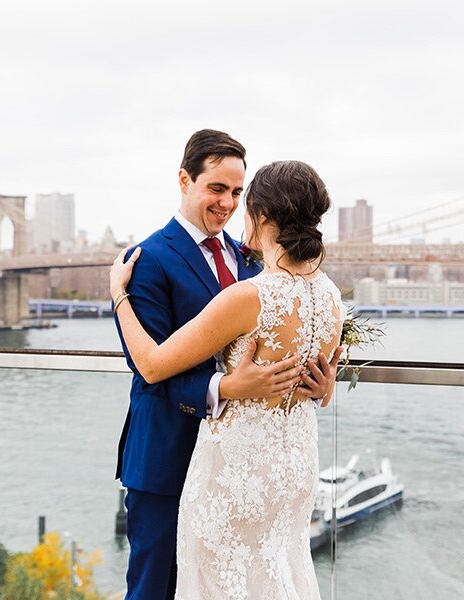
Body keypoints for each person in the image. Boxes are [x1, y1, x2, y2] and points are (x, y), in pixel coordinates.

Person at [112, 131, 340, 600]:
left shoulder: (251, 259)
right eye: (217, 189)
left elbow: (281, 335)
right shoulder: (149, 259)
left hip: (245, 467)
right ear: (184, 180)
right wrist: (227, 387)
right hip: (168, 454)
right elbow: (150, 369)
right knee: (154, 588)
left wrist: (320, 376)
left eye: (238, 193)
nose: (228, 204)